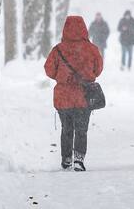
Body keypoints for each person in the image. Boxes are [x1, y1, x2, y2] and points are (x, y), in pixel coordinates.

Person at [45, 15, 103, 172]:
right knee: (82, 129)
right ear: (84, 28)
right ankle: (79, 158)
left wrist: (62, 77)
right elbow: (98, 70)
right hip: (84, 96)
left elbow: (49, 70)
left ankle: (66, 159)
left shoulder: (58, 50)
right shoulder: (91, 49)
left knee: (67, 129)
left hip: (63, 96)